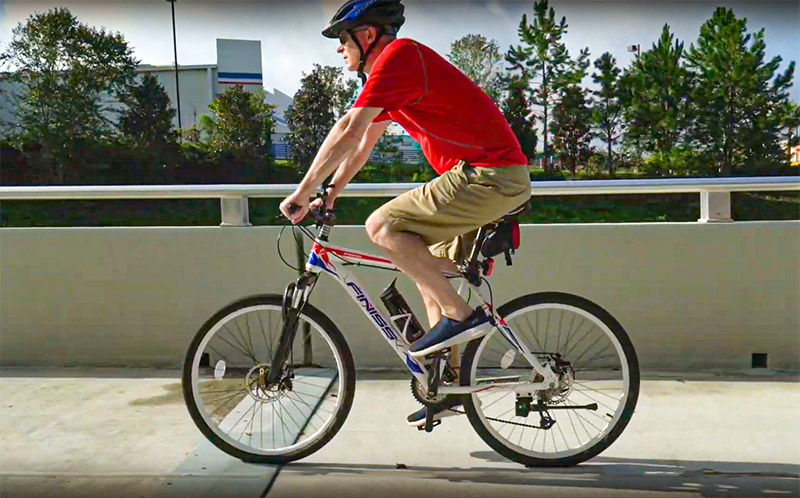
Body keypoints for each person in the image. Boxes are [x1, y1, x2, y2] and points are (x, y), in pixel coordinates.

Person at [279, 0, 531, 427]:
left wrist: (303, 191)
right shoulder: (392, 76)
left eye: (343, 39)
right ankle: (447, 384)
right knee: (429, 278)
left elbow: (347, 129)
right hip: (484, 175)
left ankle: (464, 317)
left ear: (368, 35)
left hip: (489, 174)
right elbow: (364, 142)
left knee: (381, 225)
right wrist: (331, 193)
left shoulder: (399, 57)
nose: (340, 49)